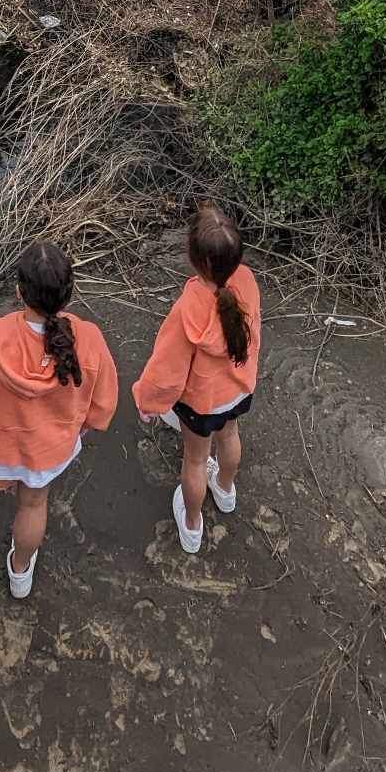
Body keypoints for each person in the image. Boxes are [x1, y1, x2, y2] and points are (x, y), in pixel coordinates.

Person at [0, 240, 118, 619]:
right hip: (49, 450)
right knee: (34, 502)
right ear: (69, 293)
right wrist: (89, 425)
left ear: (19, 291)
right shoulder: (89, 340)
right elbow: (103, 399)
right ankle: (20, 572)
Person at [132, 204, 260, 555]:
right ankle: (226, 489)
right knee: (230, 435)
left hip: (201, 405)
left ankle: (191, 524)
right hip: (237, 391)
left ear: (195, 259)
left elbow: (167, 368)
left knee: (194, 460)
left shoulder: (189, 307)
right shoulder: (247, 281)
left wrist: (149, 400)